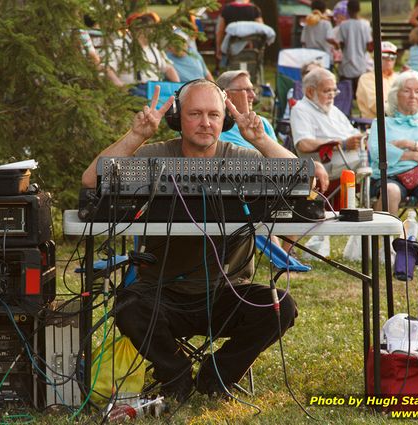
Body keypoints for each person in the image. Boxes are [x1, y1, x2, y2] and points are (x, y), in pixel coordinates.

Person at [81, 80, 327, 402]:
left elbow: (302, 178)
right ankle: (176, 374)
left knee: (281, 307)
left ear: (224, 119)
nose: (205, 123)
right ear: (178, 118)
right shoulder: (157, 155)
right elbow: (91, 179)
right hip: (164, 292)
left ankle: (217, 376)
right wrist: (136, 136)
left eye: (213, 114)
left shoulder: (242, 157)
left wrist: (261, 139)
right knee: (128, 306)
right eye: (195, 113)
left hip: (227, 292)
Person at [368, 71, 418, 215]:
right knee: (390, 191)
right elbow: (377, 152)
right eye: (407, 91)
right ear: (395, 95)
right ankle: (388, 237)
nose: (413, 96)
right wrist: (415, 156)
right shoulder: (382, 123)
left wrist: (410, 144)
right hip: (390, 176)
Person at [290, 67, 364, 181]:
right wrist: (342, 144)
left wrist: (363, 138)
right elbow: (303, 143)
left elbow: (353, 132)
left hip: (351, 159)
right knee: (378, 163)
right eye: (327, 91)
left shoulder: (332, 109)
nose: (332, 95)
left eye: (334, 90)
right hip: (326, 166)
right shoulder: (300, 109)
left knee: (382, 157)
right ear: (310, 92)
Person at [107, 12, 180, 97]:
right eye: (152, 29)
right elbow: (108, 69)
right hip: (132, 93)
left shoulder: (154, 47)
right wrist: (121, 86)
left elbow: (168, 68)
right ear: (141, 30)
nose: (154, 32)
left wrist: (178, 87)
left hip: (156, 91)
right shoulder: (120, 45)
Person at [216, 70, 276, 148]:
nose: (253, 95)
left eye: (253, 89)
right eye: (246, 90)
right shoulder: (219, 130)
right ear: (226, 95)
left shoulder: (262, 124)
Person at [335, 0, 373, 96]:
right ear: (359, 9)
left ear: (348, 10)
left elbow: (341, 44)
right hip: (361, 64)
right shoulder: (365, 24)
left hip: (346, 63)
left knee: (345, 94)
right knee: (360, 92)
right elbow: (369, 46)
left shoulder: (344, 25)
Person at [356, 41, 399, 119]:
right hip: (374, 123)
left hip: (397, 120)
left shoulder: (398, 77)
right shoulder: (366, 78)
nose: (389, 59)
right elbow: (376, 106)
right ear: (375, 58)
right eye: (384, 56)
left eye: (392, 56)